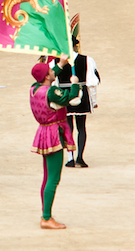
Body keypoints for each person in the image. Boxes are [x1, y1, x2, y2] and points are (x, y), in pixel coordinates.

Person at [29, 57, 81, 229]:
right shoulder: (50, 92)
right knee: (53, 178)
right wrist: (75, 83)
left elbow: (50, 78)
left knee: (47, 177)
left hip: (44, 132)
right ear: (46, 76)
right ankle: (46, 217)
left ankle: (46, 213)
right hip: (54, 134)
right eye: (50, 71)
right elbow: (70, 97)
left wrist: (61, 65)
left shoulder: (34, 88)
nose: (53, 72)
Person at [59, 15, 100, 168]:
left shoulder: (57, 62)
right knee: (81, 127)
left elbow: (54, 82)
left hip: (64, 96)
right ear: (76, 46)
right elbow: (92, 82)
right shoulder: (87, 59)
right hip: (82, 95)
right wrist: (93, 101)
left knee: (68, 127)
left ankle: (70, 158)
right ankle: (80, 158)